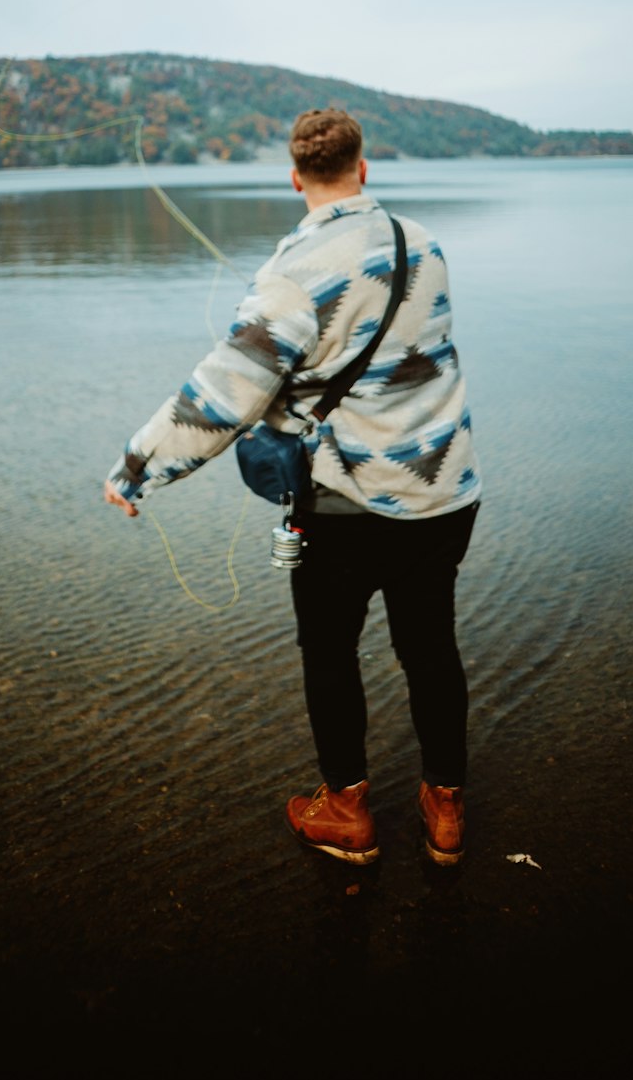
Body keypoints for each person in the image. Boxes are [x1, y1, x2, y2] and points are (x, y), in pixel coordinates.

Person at [104, 108, 482, 866]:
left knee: (330, 653)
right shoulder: (427, 245)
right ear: (364, 168)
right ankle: (445, 810)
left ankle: (347, 808)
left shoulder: (292, 273)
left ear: (295, 177)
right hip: (444, 493)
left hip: (345, 507)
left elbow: (220, 396)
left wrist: (137, 468)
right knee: (431, 645)